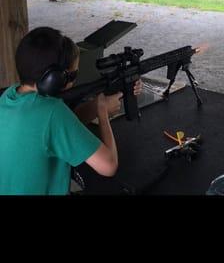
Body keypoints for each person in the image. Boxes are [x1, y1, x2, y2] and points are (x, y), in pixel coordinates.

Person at [0, 27, 142, 195]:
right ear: (54, 79)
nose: (75, 81)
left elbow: (55, 131)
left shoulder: (8, 96)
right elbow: (109, 166)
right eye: (73, 75)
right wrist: (103, 113)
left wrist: (94, 106)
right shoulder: (53, 111)